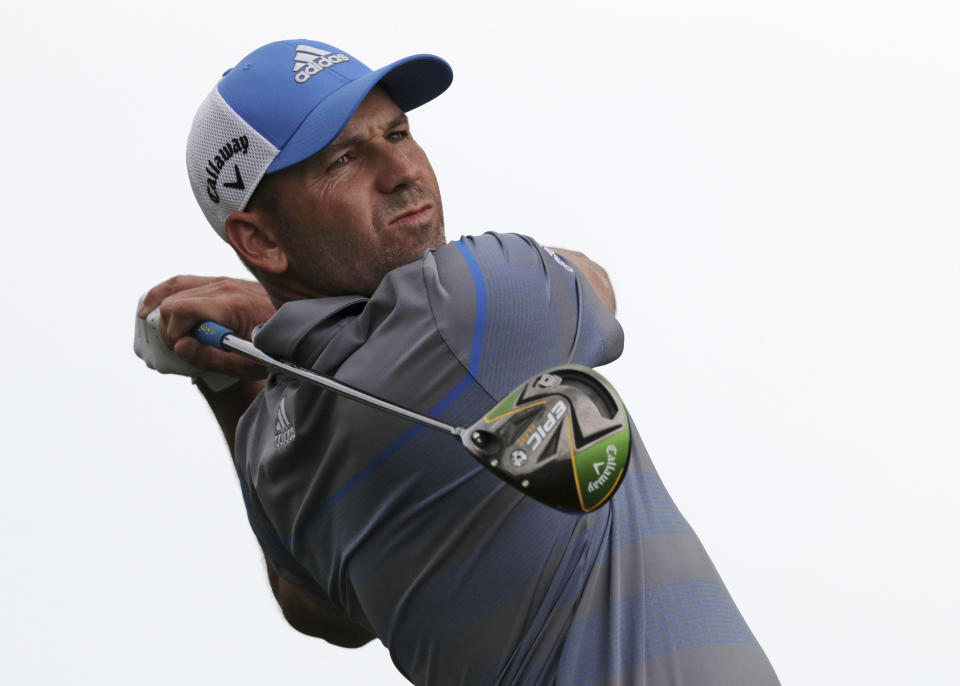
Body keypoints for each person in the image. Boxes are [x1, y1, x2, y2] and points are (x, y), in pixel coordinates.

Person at [136, 39, 780, 685]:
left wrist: (226, 379)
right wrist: (266, 327)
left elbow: (315, 608)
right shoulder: (473, 303)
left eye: (398, 132)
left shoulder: (275, 447)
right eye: (343, 159)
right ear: (262, 240)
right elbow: (596, 281)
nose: (401, 171)